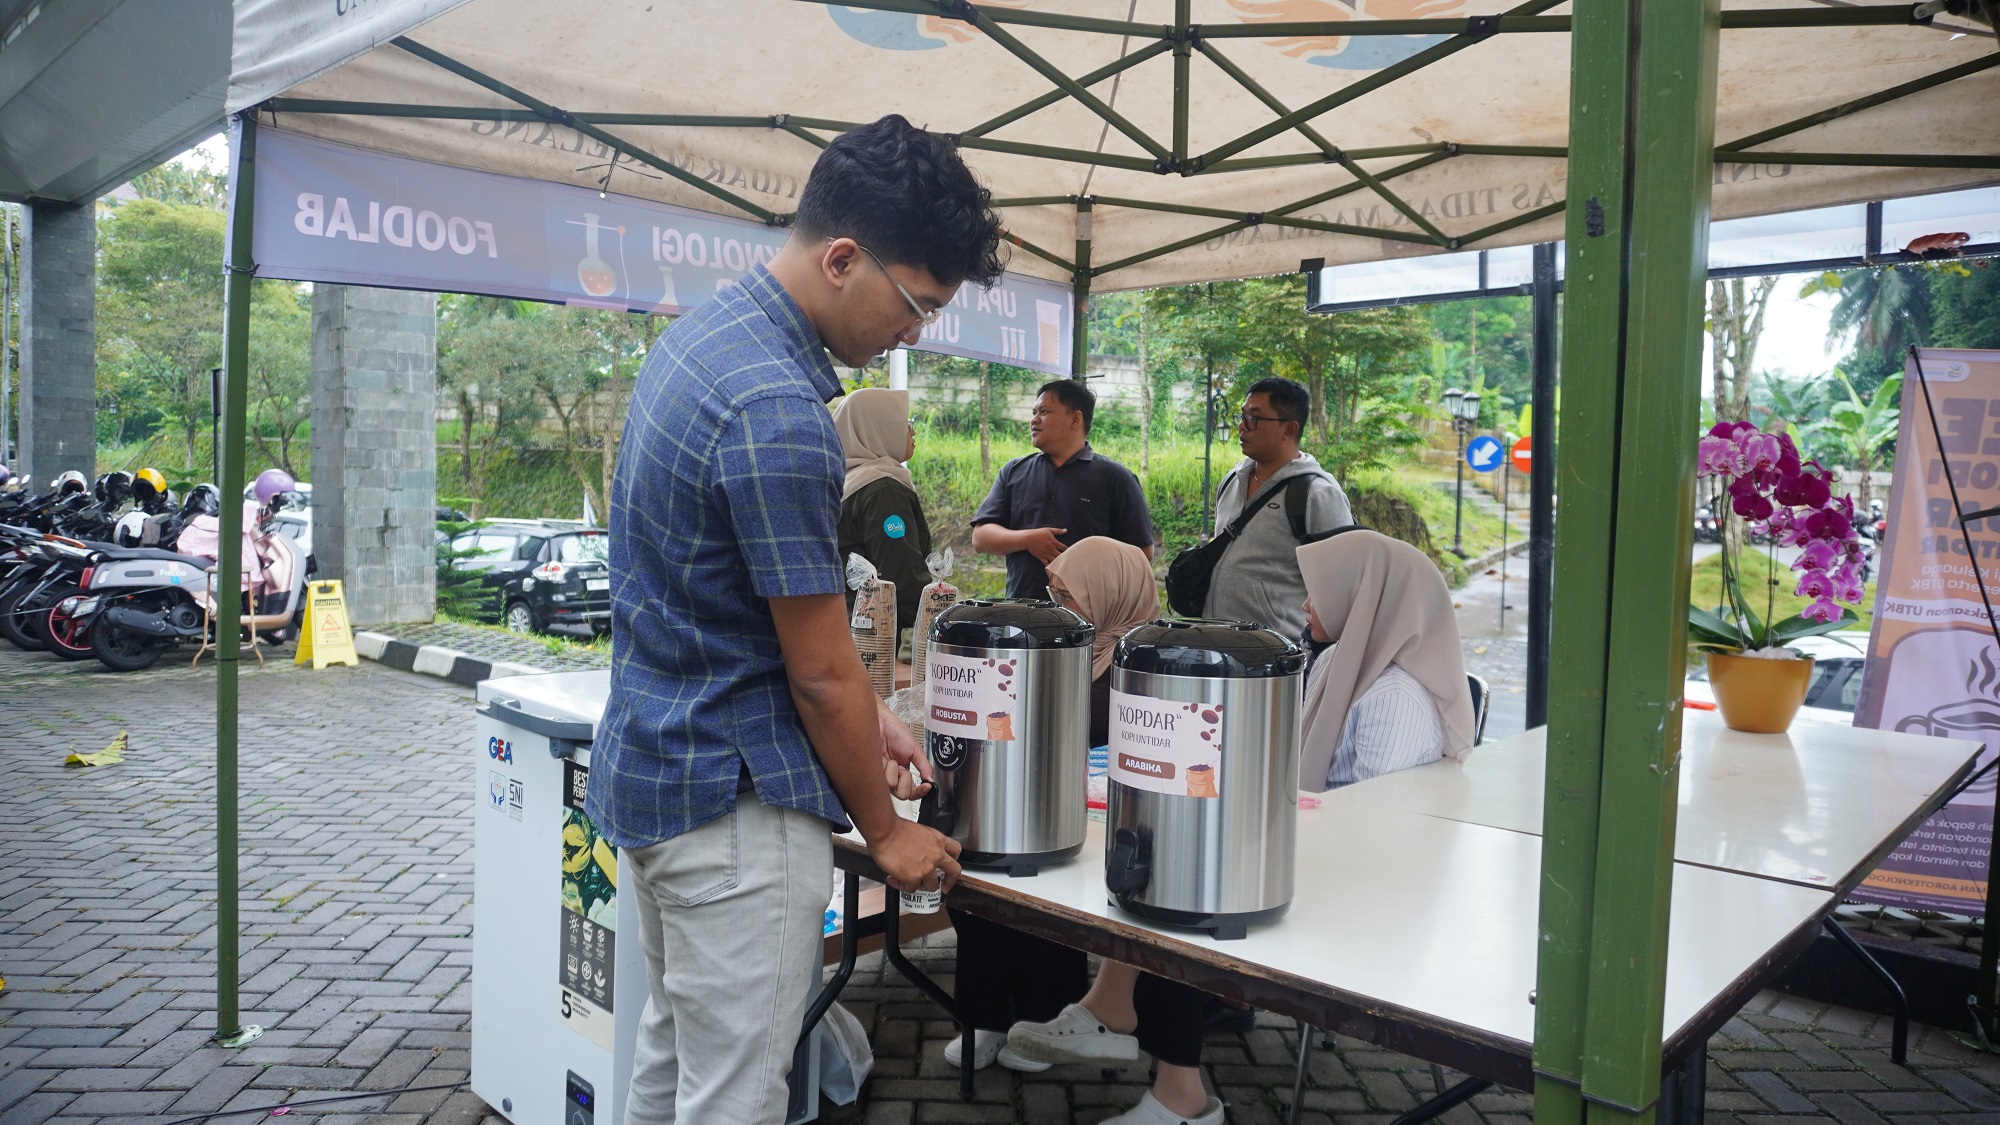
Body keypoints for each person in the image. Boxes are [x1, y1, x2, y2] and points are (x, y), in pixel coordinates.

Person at [589, 114, 997, 1125]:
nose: (914, 333)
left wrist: (872, 714)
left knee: (670, 1061)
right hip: (734, 812)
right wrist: (885, 829)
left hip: (655, 771)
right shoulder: (777, 408)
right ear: (842, 257)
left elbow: (751, 614)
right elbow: (817, 670)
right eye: (916, 304)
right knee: (732, 1097)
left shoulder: (699, 339)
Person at [1006, 530, 1475, 1125]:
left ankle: (1182, 1097)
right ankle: (1112, 1010)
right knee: (1181, 865)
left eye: (1321, 593)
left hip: (1357, 889)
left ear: (1365, 600)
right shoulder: (1339, 663)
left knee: (1194, 885)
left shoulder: (1395, 697)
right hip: (1309, 852)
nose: (1306, 605)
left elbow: (1368, 822)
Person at [942, 536, 1159, 1071]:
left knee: (1050, 905)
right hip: (1034, 801)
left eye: (1068, 592)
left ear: (1110, 593)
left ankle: (1044, 1015)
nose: (1055, 604)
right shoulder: (1052, 647)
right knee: (980, 887)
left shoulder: (1146, 662)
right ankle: (986, 1017)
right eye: (1053, 589)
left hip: (1102, 817)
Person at [971, 380, 1154, 600]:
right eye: (1034, 412)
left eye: (1044, 412)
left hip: (1090, 622)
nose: (1034, 420)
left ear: (1076, 418)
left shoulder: (1116, 477)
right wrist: (1028, 539)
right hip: (1020, 615)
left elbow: (1142, 554)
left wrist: (1088, 561)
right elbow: (981, 537)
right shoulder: (1014, 471)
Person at [1204, 378, 1352, 640]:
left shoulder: (1318, 494)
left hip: (1276, 656)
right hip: (1215, 645)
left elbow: (1341, 586)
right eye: (1242, 415)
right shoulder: (1231, 480)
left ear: (1289, 429)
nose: (1241, 425)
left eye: (1254, 418)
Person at [834, 386, 931, 636]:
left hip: (855, 627)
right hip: (888, 637)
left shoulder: (847, 483)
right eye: (905, 423)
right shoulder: (883, 491)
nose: (912, 430)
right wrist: (923, 632)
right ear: (877, 427)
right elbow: (901, 575)